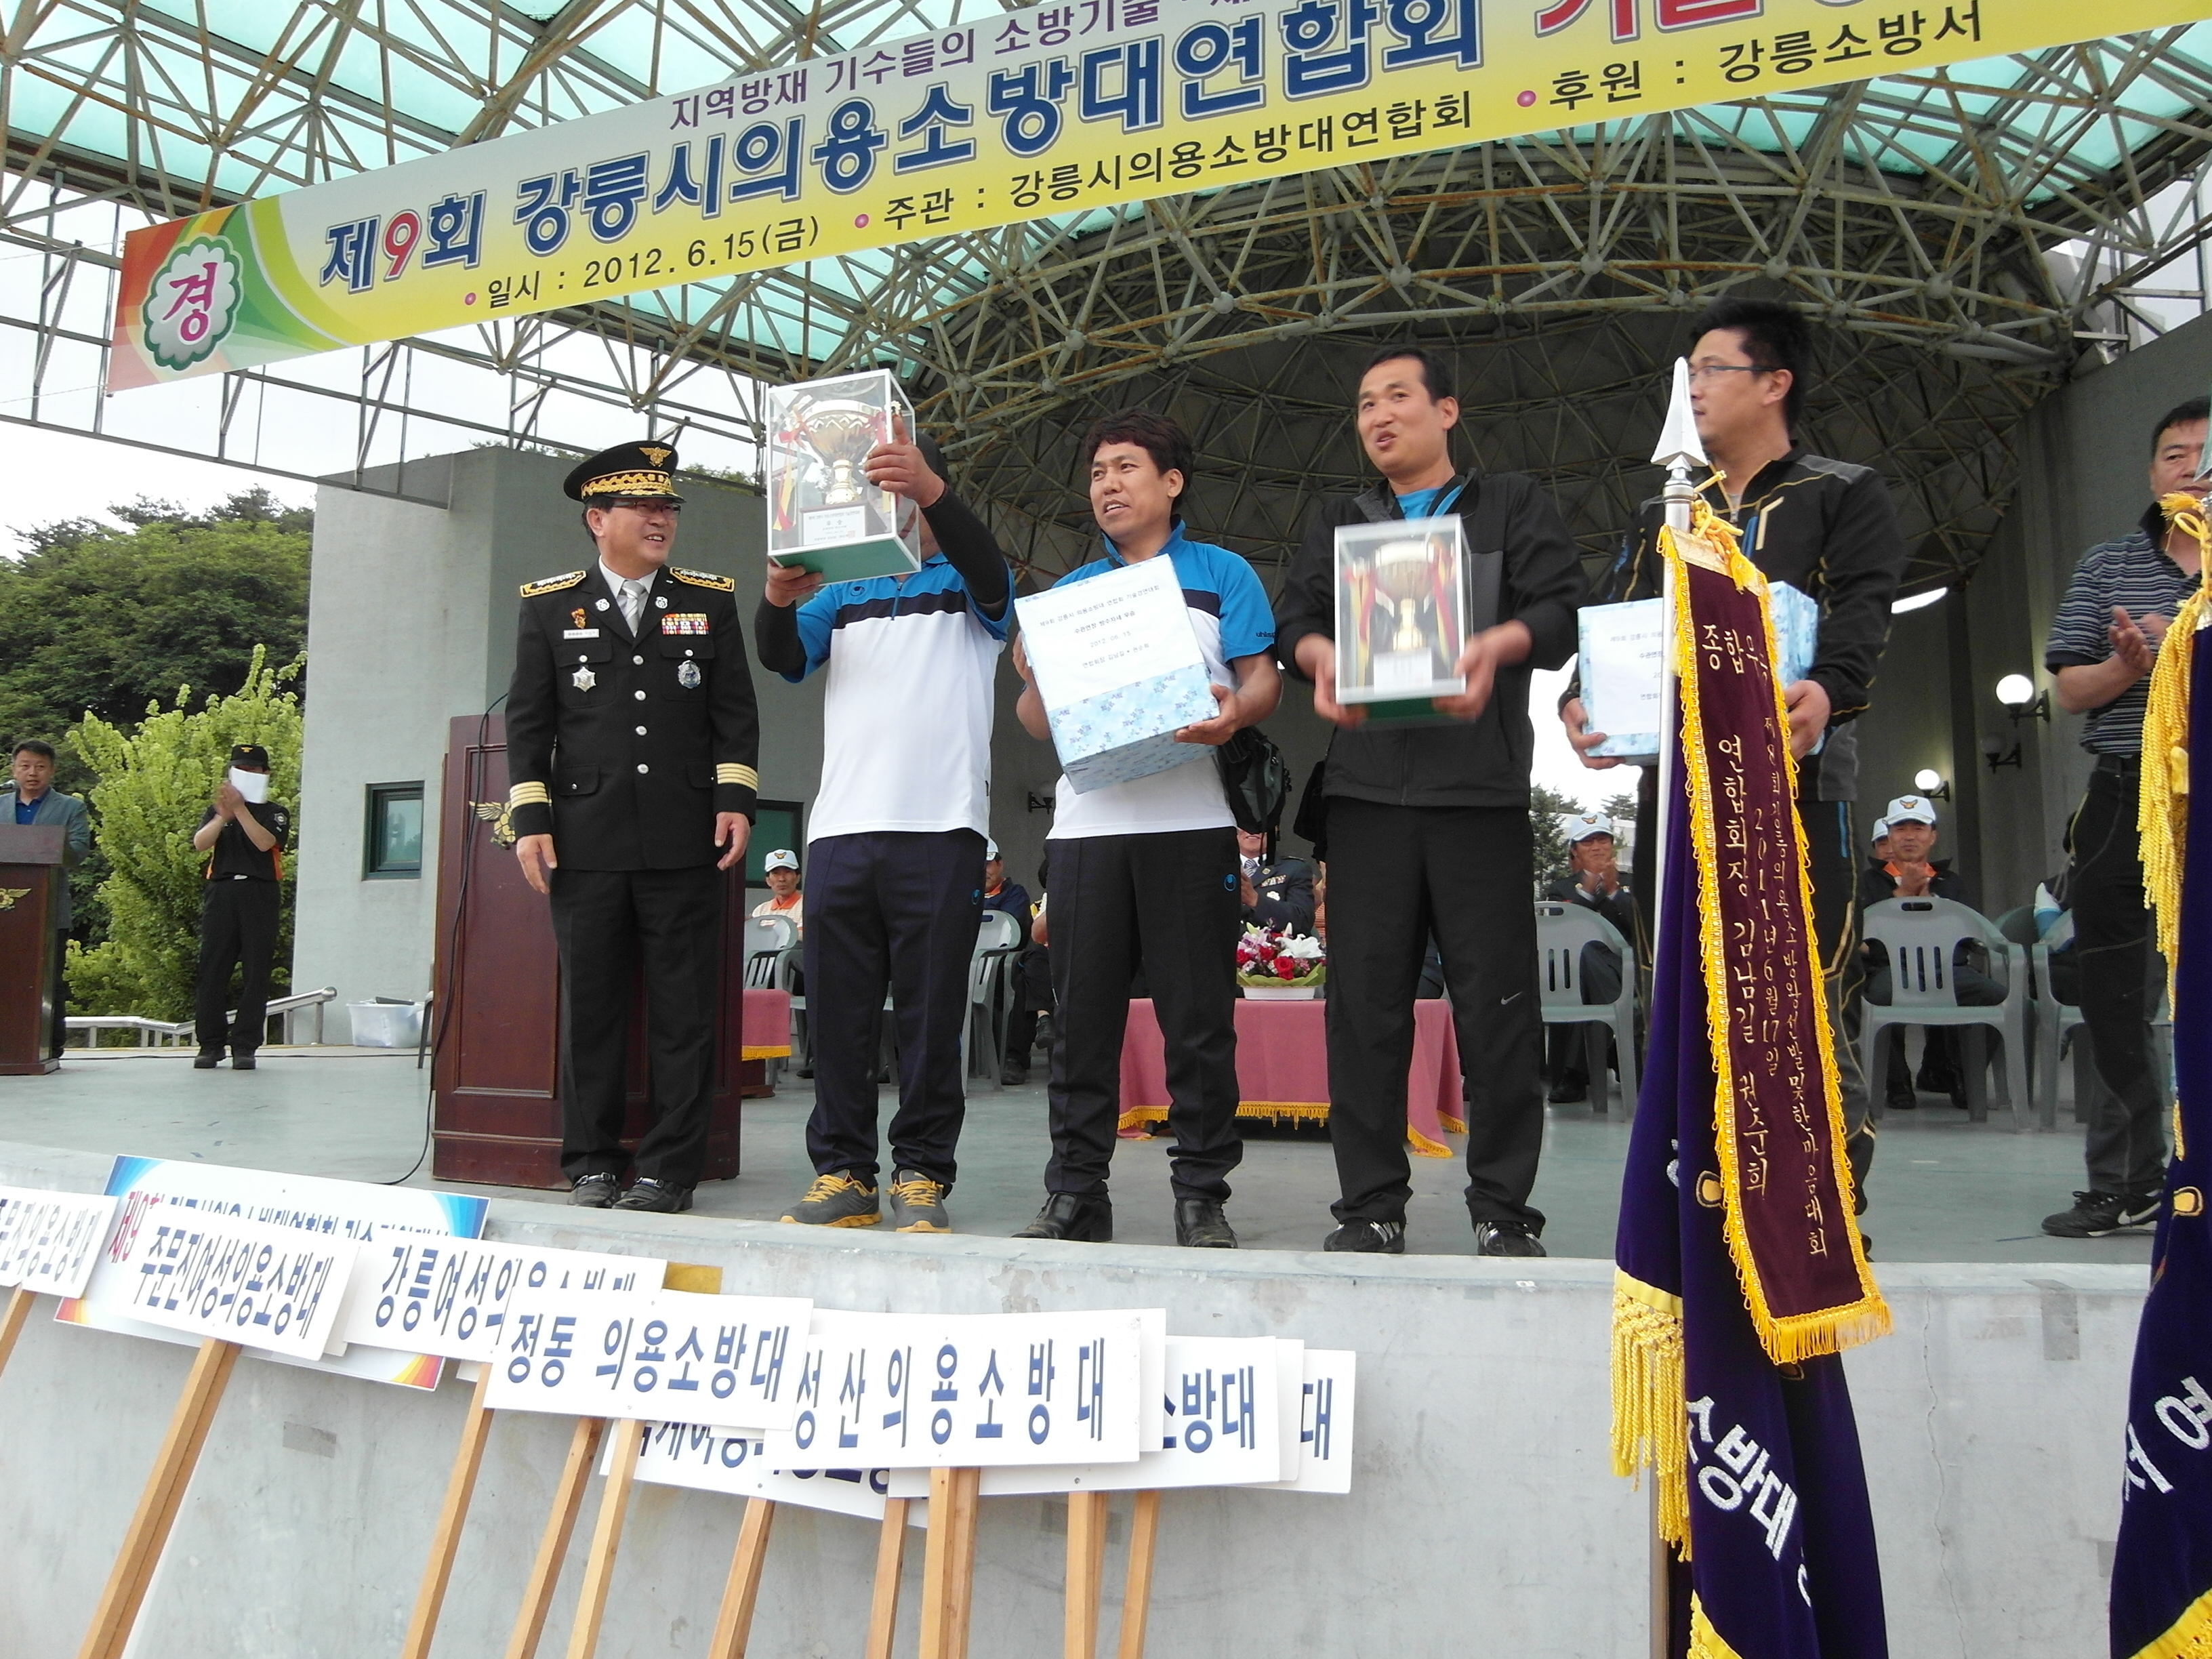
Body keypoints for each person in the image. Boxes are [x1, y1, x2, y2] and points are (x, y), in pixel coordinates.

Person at [1561, 298, 1905, 1200]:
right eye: (1690, 373)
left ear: (1775, 383)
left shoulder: (1842, 491)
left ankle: (1823, 1209)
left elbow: (1863, 613)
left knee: (1804, 989)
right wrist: (1580, 698)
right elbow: (1621, 618)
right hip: (1678, 793)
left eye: (1713, 369)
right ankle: (1702, 1194)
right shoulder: (1667, 509)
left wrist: (1827, 690)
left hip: (1799, 785)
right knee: (1682, 985)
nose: (1695, 388)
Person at [1275, 344, 1586, 1257]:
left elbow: (1562, 612)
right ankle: (1370, 1205)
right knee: (1364, 1012)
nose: (1378, 416)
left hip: (1479, 796)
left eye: (1397, 397)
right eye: (1364, 403)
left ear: (1447, 410)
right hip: (1367, 796)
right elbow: (1295, 619)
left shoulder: (1508, 504)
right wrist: (1319, 658)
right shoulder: (1342, 519)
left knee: (1498, 1008)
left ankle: (1503, 1210)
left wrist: (1497, 645)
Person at [1010, 409, 1279, 1249]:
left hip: (1192, 824)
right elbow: (1035, 723)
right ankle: (1074, 1192)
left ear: (1172, 482)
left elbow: (1262, 679)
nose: (1109, 485)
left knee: (1199, 1023)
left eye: (1126, 468)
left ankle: (1201, 1193)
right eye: (1097, 473)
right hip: (1086, 832)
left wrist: (1235, 714)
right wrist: (1031, 675)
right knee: (1081, 1024)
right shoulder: (1068, 597)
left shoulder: (1223, 573)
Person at [756, 419, 1009, 1235]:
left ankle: (923, 1174)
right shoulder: (842, 590)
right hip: (841, 831)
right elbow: (783, 658)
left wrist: (930, 488)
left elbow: (992, 574)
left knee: (932, 1016)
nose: (886, 498)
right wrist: (775, 599)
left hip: (942, 827)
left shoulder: (969, 582)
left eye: (901, 483)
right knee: (840, 1013)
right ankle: (843, 1173)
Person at [505, 441, 758, 1214]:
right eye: (643, 507)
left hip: (685, 840)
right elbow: (529, 722)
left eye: (668, 508)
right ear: (597, 520)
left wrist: (736, 800)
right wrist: (531, 819)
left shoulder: (709, 601)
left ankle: (668, 1171)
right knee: (592, 1012)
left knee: (684, 1015)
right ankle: (591, 1163)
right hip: (586, 843)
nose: (660, 519)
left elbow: (735, 715)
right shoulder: (550, 605)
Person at [2036, 396, 2207, 1238]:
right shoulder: (2109, 564)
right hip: (2126, 790)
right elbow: (2070, 688)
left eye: (2208, 456)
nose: (2194, 471)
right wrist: (2131, 665)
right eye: (2177, 456)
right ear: (2152, 474)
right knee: (2111, 991)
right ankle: (2128, 1181)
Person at [1856, 794, 2001, 1111]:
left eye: (1918, 828)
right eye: (1900, 829)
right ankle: (1897, 1083)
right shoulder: (1868, 882)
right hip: (1891, 971)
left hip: (1949, 970)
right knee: (1879, 996)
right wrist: (1904, 891)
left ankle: (1962, 1074)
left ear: (1932, 836)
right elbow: (1862, 936)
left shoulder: (1950, 881)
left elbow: (1970, 934)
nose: (1909, 836)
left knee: (2000, 997)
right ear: (1889, 835)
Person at [185, 744, 289, 1070]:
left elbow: (265, 842)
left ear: (265, 773)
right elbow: (200, 843)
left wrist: (241, 810)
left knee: (256, 971)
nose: (245, 774)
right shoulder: (218, 811)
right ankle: (210, 1044)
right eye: (239, 769)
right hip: (223, 890)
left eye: (252, 769)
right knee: (212, 968)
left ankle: (245, 1045)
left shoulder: (275, 812)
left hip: (260, 892)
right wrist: (223, 816)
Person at [3, 739, 90, 1059]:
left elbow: (78, 851)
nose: (32, 773)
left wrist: (48, 845)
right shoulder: (0, 805)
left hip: (47, 909)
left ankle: (49, 1045)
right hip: (5, 911)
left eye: (40, 767)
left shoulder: (71, 808)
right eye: (25, 766)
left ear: (52, 771)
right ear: (14, 769)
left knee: (48, 978)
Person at [1542, 813, 1636, 1105]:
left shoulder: (1631, 883)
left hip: (1624, 970)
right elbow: (1557, 935)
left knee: (1594, 964)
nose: (1597, 848)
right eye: (1587, 842)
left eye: (1602, 840)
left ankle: (1575, 1074)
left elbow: (1642, 931)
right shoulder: (1561, 889)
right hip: (1573, 975)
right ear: (1574, 851)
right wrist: (1588, 889)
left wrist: (1613, 891)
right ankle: (1615, 1044)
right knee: (1588, 955)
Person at [980, 840, 1039, 1085]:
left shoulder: (1015, 894)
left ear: (1000, 864)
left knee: (1023, 979)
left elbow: (1007, 931)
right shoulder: (960, 893)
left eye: (987, 864)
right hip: (965, 966)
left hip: (1002, 965)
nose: (983, 870)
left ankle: (1014, 1058)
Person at [1237, 826, 1316, 937]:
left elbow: (1302, 922)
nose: (1252, 830)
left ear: (1275, 829)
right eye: (1244, 824)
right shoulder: (1217, 869)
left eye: (1260, 824)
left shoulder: (1294, 869)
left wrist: (1256, 901)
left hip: (1275, 945)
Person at [752, 849, 804, 934]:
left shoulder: (807, 906)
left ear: (798, 878)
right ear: (768, 880)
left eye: (788, 872)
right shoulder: (760, 911)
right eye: (776, 873)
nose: (782, 879)